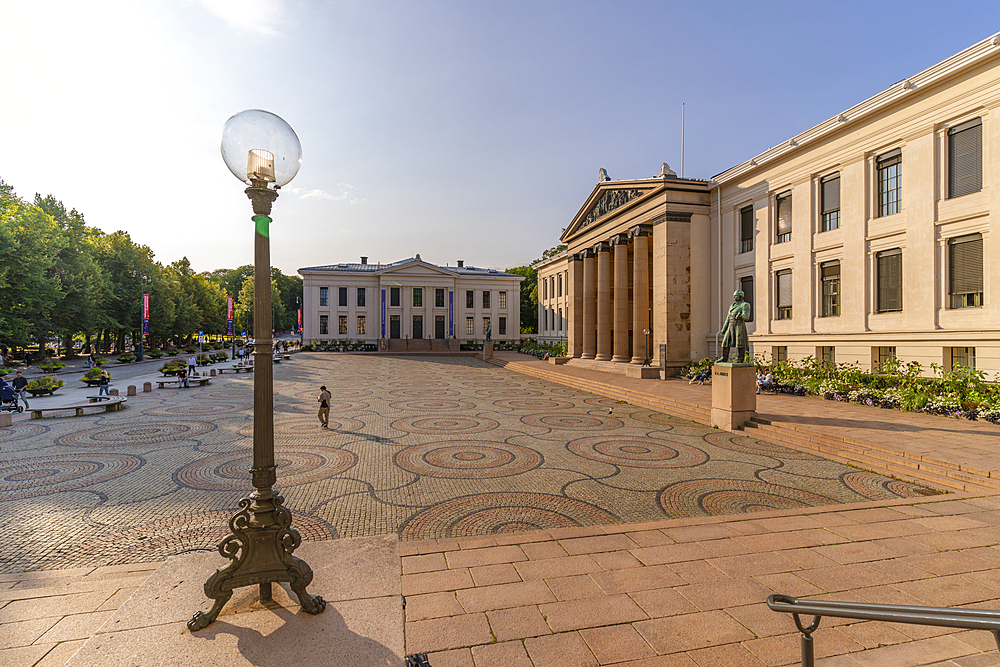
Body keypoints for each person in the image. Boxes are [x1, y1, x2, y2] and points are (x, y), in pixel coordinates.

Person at [718, 290, 751, 363]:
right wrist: (724, 329)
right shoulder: (732, 306)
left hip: (739, 325)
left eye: (735, 296)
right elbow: (728, 318)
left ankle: (740, 358)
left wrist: (741, 316)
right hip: (730, 325)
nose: (734, 297)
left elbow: (746, 316)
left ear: (740, 296)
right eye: (734, 295)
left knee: (740, 343)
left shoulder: (745, 305)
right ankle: (724, 357)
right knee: (725, 342)